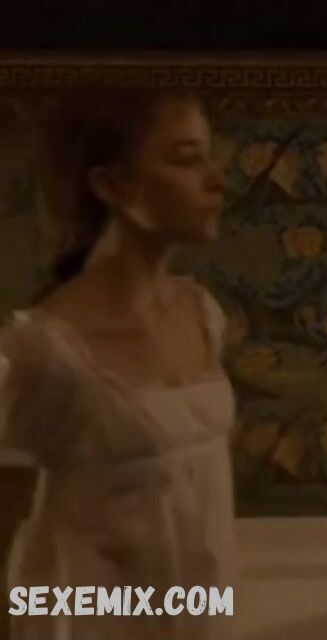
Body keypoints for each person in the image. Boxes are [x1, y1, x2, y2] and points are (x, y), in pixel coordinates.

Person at [0, 87, 236, 640]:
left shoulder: (202, 315)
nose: (215, 180)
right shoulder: (44, 350)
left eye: (208, 155)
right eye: (185, 159)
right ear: (112, 185)